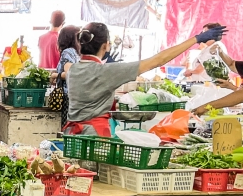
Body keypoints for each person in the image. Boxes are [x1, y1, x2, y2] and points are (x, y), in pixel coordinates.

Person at [63, 22, 226, 137]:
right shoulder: (106, 71)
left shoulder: (73, 69)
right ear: (106, 45)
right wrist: (196, 39)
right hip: (93, 137)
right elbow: (158, 60)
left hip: (71, 135)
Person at [52, 25, 81, 125]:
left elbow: (70, 72)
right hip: (76, 95)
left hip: (67, 96)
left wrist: (55, 76)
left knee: (66, 127)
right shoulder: (78, 53)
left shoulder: (67, 51)